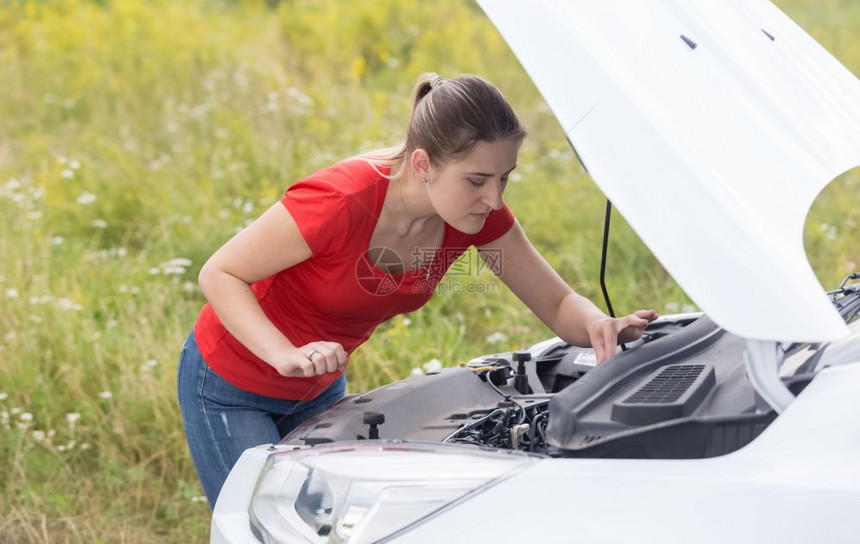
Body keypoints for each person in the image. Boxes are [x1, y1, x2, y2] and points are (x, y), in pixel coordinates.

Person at [177, 73, 658, 509]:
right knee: (262, 519)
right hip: (231, 384)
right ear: (424, 164)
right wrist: (283, 353)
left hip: (319, 383)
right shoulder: (340, 201)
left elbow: (556, 302)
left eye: (504, 178)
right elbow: (220, 273)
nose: (494, 199)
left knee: (325, 520)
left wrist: (600, 325)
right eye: (477, 180)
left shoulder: (474, 217)